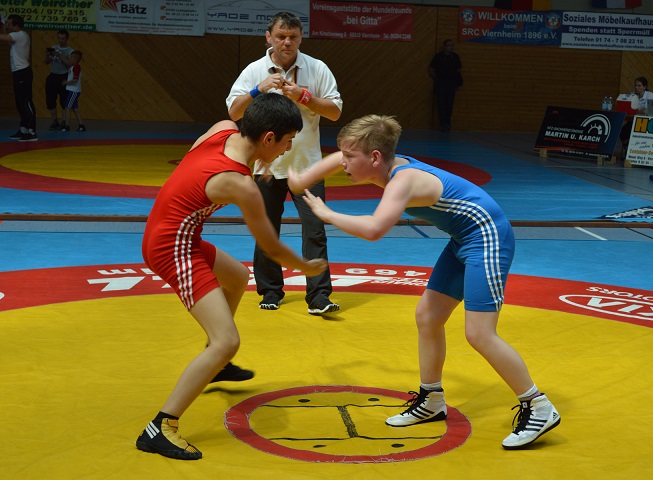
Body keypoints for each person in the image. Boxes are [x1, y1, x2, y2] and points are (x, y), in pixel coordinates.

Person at [288, 114, 561, 450]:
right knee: (428, 317)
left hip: (487, 236)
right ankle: (432, 399)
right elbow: (336, 158)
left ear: (375, 157)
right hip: (464, 237)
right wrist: (302, 179)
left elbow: (374, 229)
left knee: (479, 333)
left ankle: (538, 406)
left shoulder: (402, 181)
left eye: (349, 156)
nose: (341, 162)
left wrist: (326, 213)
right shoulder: (381, 163)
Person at [135, 93, 328, 460]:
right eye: (287, 141)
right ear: (268, 137)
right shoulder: (237, 183)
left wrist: (259, 162)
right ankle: (161, 427)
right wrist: (306, 267)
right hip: (171, 246)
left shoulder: (223, 130)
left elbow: (197, 168)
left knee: (237, 277)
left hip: (174, 232)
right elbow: (271, 246)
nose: (289, 149)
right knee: (227, 340)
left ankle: (217, 365)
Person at [226, 11, 343, 315]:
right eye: (281, 36)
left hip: (307, 167)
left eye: (293, 37)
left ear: (301, 38)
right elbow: (234, 113)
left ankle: (319, 296)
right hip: (265, 167)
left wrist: (304, 97)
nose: (287, 42)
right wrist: (258, 90)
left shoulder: (317, 68)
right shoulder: (254, 71)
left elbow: (335, 112)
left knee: (315, 230)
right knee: (266, 230)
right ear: (269, 37)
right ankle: (270, 290)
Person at [0, 14, 37, 142]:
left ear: (16, 26)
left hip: (23, 72)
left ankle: (32, 131)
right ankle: (24, 129)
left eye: (9, 24)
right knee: (20, 102)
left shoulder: (20, 34)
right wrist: (3, 28)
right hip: (18, 72)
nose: (7, 25)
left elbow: (4, 37)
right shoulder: (16, 35)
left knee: (26, 102)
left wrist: (3, 28)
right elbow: (7, 38)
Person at [428, 39, 462, 132]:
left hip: (451, 83)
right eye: (449, 45)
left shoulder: (455, 57)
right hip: (441, 83)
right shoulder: (438, 57)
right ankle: (443, 124)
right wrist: (439, 79)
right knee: (441, 104)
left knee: (449, 104)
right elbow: (431, 70)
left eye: (452, 45)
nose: (451, 47)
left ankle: (448, 123)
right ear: (444, 47)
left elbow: (458, 69)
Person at [44, 29, 73, 130]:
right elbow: (46, 62)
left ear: (66, 39)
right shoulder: (54, 47)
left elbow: (70, 64)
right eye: (59, 38)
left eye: (63, 38)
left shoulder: (70, 51)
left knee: (63, 101)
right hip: (53, 76)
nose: (61, 40)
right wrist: (48, 55)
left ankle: (64, 121)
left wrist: (60, 56)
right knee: (50, 100)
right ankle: (54, 121)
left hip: (63, 76)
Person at [620, 76, 653, 155]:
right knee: (622, 133)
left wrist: (634, 111)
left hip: (645, 122)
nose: (636, 87)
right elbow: (628, 110)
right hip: (633, 120)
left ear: (644, 87)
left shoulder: (649, 95)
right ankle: (627, 147)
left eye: (639, 86)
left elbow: (646, 111)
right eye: (635, 85)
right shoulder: (632, 94)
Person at [60, 50, 86, 132]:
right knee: (75, 108)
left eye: (71, 57)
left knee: (67, 108)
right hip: (72, 90)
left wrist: (66, 82)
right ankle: (81, 125)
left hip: (73, 91)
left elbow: (75, 79)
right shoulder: (73, 67)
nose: (70, 59)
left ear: (75, 59)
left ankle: (67, 126)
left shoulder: (76, 67)